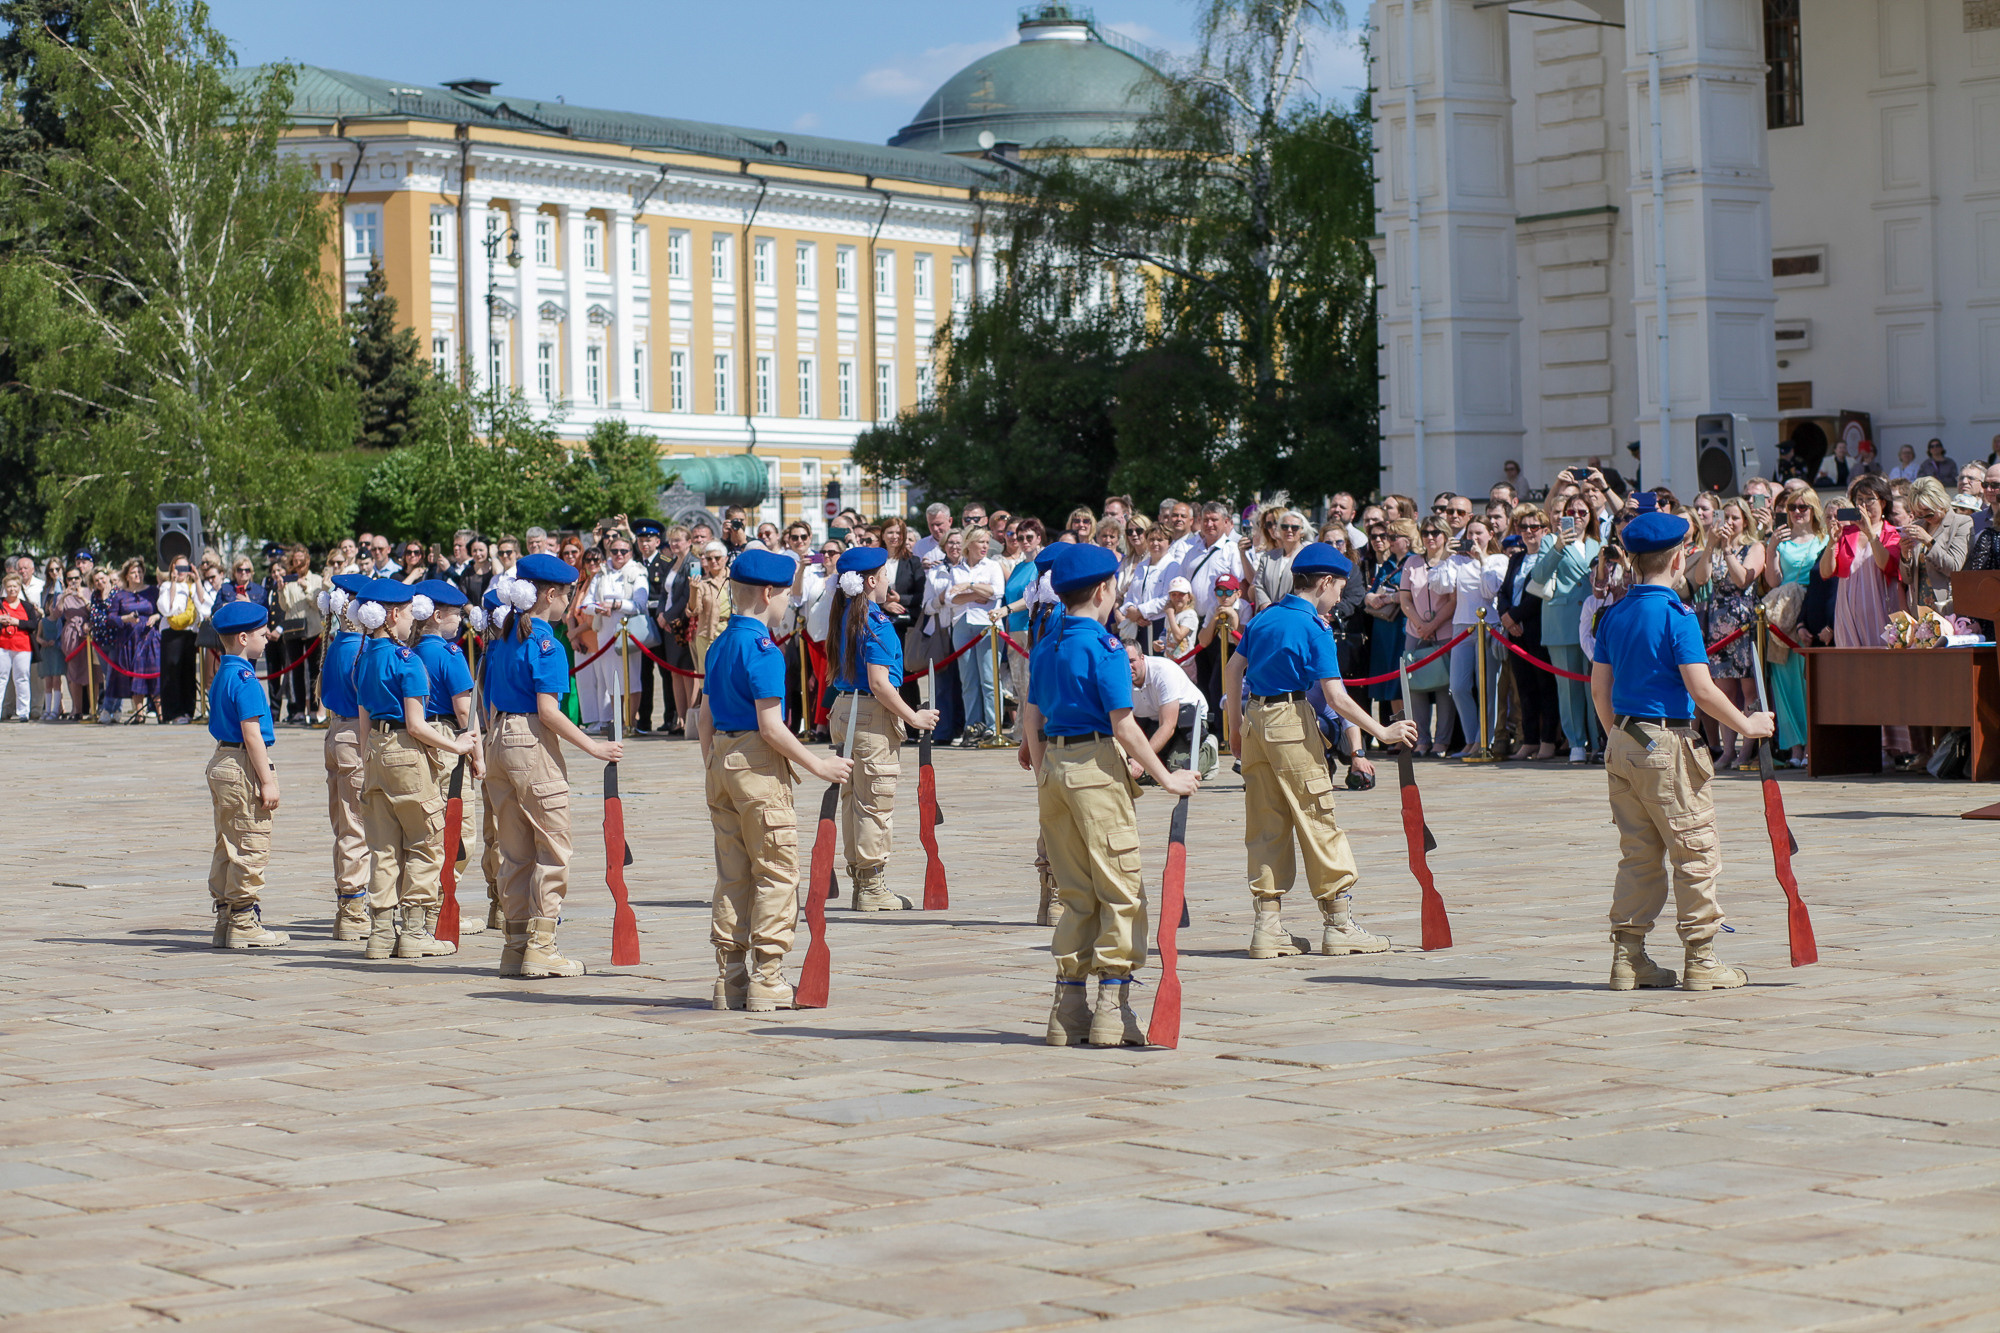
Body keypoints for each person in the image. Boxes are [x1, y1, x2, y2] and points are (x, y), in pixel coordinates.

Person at [1022, 544, 1199, 1048]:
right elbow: (1124, 725)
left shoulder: (1047, 643)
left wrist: (1042, 772)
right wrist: (1167, 778)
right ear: (1103, 590)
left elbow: (1031, 719)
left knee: (1076, 893)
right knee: (1121, 890)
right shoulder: (1103, 647)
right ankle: (1110, 1010)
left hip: (1055, 768)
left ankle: (1067, 1009)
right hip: (1094, 768)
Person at [1591, 510, 1774, 992]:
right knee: (1695, 851)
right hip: (1666, 741)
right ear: (1677, 559)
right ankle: (1701, 956)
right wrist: (1747, 725)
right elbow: (1703, 689)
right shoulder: (1677, 614)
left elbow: (1598, 693)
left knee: (1638, 854)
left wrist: (1619, 738)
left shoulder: (1616, 613)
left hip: (1623, 740)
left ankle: (1628, 958)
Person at [1224, 543, 1418, 960]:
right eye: (1338, 588)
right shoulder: (1314, 626)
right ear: (1326, 582)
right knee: (1317, 818)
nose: (1338, 598)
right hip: (1291, 721)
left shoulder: (1265, 617)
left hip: (1255, 719)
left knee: (1265, 822)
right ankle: (1339, 925)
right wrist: (1382, 730)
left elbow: (1232, 669)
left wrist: (1235, 732)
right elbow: (1337, 696)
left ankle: (1267, 927)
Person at [697, 547, 850, 1011]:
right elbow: (771, 725)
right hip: (757, 763)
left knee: (733, 873)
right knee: (776, 871)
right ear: (767, 594)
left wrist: (715, 763)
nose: (788, 603)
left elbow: (703, 718)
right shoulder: (763, 648)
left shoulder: (721, 642)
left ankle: (732, 977)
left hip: (722, 758)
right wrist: (818, 765)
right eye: (786, 595)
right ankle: (767, 975)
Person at [483, 555, 624, 978]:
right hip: (530, 742)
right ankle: (542, 947)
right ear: (549, 594)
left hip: (499, 740)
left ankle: (516, 946)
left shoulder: (502, 636)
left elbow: (488, 697)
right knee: (553, 847)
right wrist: (592, 747)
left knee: (515, 851)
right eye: (565, 594)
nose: (567, 602)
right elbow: (549, 710)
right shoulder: (545, 641)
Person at [354, 579, 475, 961]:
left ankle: (379, 933)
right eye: (407, 613)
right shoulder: (405, 660)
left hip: (374, 752)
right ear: (392, 615)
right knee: (426, 841)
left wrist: (368, 758)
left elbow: (362, 723)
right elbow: (418, 724)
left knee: (384, 848)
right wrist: (457, 745)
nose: (412, 620)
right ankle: (414, 931)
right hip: (406, 752)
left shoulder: (364, 657)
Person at [825, 546, 941, 912]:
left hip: (845, 709)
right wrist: (913, 716)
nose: (889, 580)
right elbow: (879, 682)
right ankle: (872, 886)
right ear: (872, 581)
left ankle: (861, 879)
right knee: (875, 802)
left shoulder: (844, 616)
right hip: (870, 715)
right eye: (885, 574)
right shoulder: (874, 623)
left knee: (853, 800)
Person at [205, 599, 289, 948]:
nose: (267, 637)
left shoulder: (223, 672)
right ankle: (243, 919)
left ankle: (225, 917)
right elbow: (252, 732)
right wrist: (267, 780)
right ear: (242, 638)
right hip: (242, 763)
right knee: (251, 840)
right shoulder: (246, 678)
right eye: (260, 632)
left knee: (228, 841)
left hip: (222, 758)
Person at [1820, 475, 1910, 765]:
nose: (1863, 506)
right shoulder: (1846, 534)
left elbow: (1887, 564)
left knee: (1884, 676)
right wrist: (1832, 542)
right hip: (1848, 611)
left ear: (1882, 502)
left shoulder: (1892, 533)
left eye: (1869, 500)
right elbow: (1826, 571)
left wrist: (1871, 533)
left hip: (1880, 610)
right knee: (1854, 676)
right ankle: (1859, 744)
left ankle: (1892, 746)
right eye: (1858, 501)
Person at [412, 579, 484, 940]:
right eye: (455, 615)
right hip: (446, 739)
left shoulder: (407, 650)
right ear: (438, 616)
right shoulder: (449, 654)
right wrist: (478, 756)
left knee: (426, 826)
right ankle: (442, 904)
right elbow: (464, 711)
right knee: (459, 828)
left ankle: (423, 904)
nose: (459, 621)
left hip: (415, 737)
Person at [1686, 498, 1765, 769]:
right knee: (1724, 690)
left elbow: (1743, 579)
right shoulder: (1715, 547)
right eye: (1726, 517)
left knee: (1748, 689)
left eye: (1734, 518)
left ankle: (1747, 748)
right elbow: (1700, 579)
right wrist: (1710, 546)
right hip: (1718, 623)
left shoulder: (1754, 546)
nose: (1729, 523)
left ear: (1745, 520)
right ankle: (1728, 750)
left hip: (1742, 623)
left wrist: (1730, 550)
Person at [317, 576, 371, 941]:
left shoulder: (336, 644)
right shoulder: (359, 649)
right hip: (356, 734)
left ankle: (350, 902)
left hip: (336, 732)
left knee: (345, 824)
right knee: (357, 826)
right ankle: (353, 909)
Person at [1534, 490, 1605, 763]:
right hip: (1561, 621)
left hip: (1591, 621)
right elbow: (1539, 576)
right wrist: (1557, 548)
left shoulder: (1596, 544)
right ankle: (1576, 741)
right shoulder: (1551, 540)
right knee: (1568, 686)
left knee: (1593, 685)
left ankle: (1597, 740)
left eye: (1582, 513)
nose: (1576, 517)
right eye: (1571, 513)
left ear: (1590, 517)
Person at [1762, 491, 1828, 768]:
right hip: (1782, 614)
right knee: (1785, 682)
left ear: (1814, 510)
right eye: (1792, 507)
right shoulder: (1781, 541)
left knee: (1807, 682)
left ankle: (1814, 744)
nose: (1797, 512)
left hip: (1810, 611)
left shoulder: (1823, 540)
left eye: (1803, 507)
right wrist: (1771, 548)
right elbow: (1772, 580)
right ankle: (1795, 748)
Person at [1496, 505, 1560, 761]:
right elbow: (1503, 591)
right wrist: (1505, 615)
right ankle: (1529, 740)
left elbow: (1538, 594)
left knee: (1545, 687)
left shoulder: (1548, 559)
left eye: (1535, 527)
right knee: (1524, 688)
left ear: (1545, 530)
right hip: (1515, 631)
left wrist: (1515, 616)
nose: (1529, 532)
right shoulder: (1517, 558)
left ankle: (1548, 741)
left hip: (1538, 627)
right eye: (1524, 528)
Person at [1444, 519, 1505, 756]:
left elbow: (1490, 591)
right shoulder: (1458, 560)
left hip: (1488, 625)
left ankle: (1483, 741)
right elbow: (1440, 585)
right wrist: (1445, 555)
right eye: (1470, 533)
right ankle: (1471, 739)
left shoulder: (1499, 560)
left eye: (1479, 533)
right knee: (1458, 687)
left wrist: (1481, 559)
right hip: (1462, 626)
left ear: (1490, 534)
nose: (1474, 538)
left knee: (1486, 687)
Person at [1397, 520, 1456, 756]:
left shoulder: (1452, 562)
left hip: (1445, 632)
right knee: (1415, 686)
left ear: (1445, 534)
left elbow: (1453, 600)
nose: (1430, 537)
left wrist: (1433, 624)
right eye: (1426, 533)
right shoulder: (1412, 562)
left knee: (1445, 688)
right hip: (1416, 632)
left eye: (1436, 532)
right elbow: (1404, 600)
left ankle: (1442, 741)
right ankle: (1421, 740)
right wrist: (1421, 625)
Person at [1123, 642, 1210, 777]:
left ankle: (1208, 748)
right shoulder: (1116, 677)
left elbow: (1168, 726)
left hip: (1187, 719)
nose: (1128, 667)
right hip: (1153, 720)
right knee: (1131, 770)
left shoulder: (1163, 672)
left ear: (1142, 658)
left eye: (1132, 661)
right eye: (1123, 662)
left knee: (1178, 769)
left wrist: (1141, 759)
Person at [105, 558, 161, 723]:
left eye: (140, 572)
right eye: (133, 572)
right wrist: (127, 618)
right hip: (130, 639)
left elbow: (163, 610)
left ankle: (160, 712)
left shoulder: (153, 591)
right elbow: (111, 618)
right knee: (136, 674)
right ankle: (139, 714)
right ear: (127, 576)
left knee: (154, 673)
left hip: (150, 638)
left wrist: (156, 616)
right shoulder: (120, 595)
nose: (138, 575)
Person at [0, 571, 36, 722]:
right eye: (9, 586)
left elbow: (33, 624)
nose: (12, 589)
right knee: (1, 678)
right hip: (3, 645)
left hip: (22, 646)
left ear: (19, 587)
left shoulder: (26, 606)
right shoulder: (1, 603)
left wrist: (17, 622)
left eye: (15, 586)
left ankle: (23, 712)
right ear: (5, 588)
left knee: (22, 678)